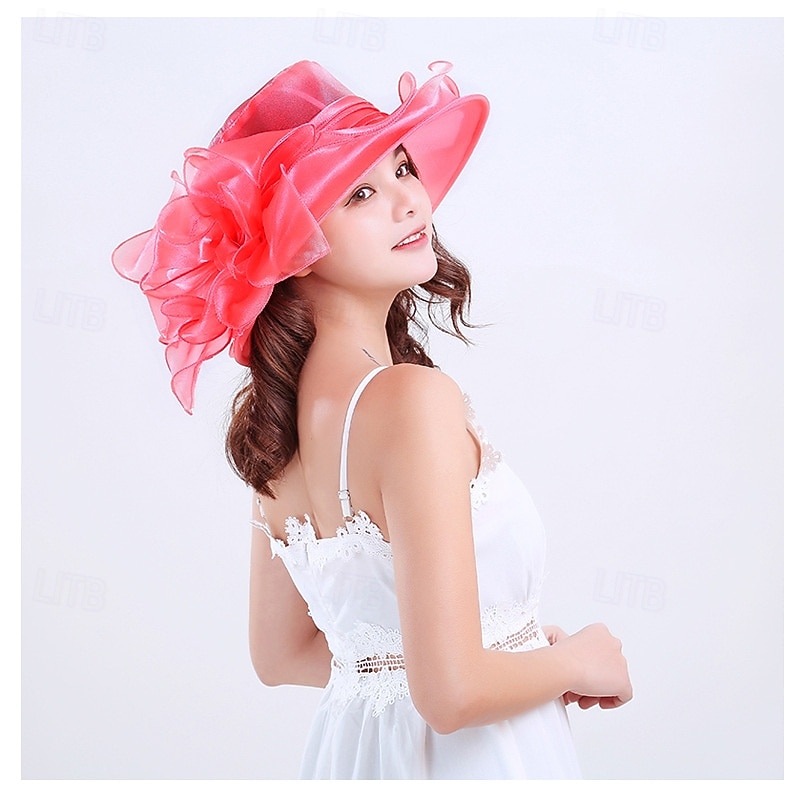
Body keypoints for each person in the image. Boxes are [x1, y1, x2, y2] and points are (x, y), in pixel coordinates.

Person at [113, 59, 632, 780]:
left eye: (403, 168)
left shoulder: (277, 427)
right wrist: (577, 660)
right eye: (361, 192)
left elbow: (281, 655)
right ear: (295, 247)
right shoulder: (411, 400)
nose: (410, 201)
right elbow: (452, 694)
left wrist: (509, 661)